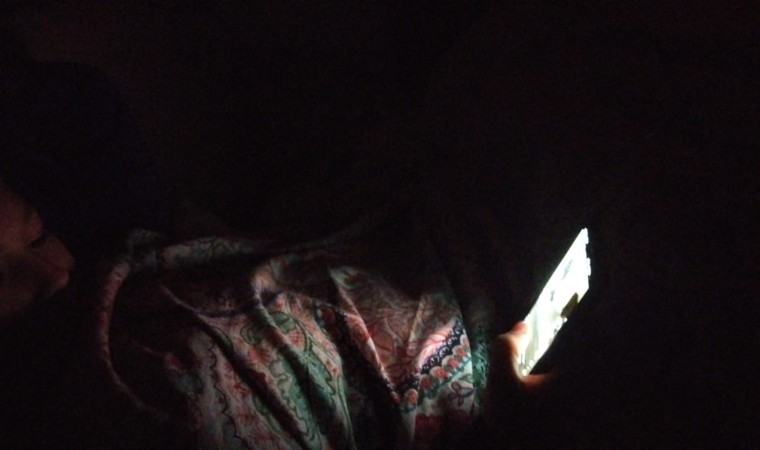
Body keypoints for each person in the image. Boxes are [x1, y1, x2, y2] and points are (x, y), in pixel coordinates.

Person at [0, 51, 548, 450]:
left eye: (42, 232)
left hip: (431, 245)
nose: (52, 268)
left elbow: (83, 106)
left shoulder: (118, 247)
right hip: (491, 371)